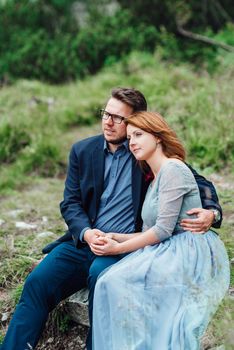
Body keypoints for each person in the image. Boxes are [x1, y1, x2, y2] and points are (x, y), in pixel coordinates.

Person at [1, 88, 223, 350]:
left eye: (118, 118)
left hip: (128, 245)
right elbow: (70, 203)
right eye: (106, 113)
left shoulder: (143, 151)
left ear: (135, 122)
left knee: (100, 275)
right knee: (38, 283)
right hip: (85, 241)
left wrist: (212, 212)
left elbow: (196, 181)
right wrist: (86, 232)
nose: (108, 121)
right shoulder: (82, 151)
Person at [91, 111, 230, 350]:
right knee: (109, 281)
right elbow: (153, 229)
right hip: (168, 244)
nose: (132, 142)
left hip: (188, 248)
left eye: (139, 135)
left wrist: (119, 248)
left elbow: (163, 231)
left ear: (157, 137)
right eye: (129, 137)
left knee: (113, 280)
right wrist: (114, 236)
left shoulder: (173, 168)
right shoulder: (154, 177)